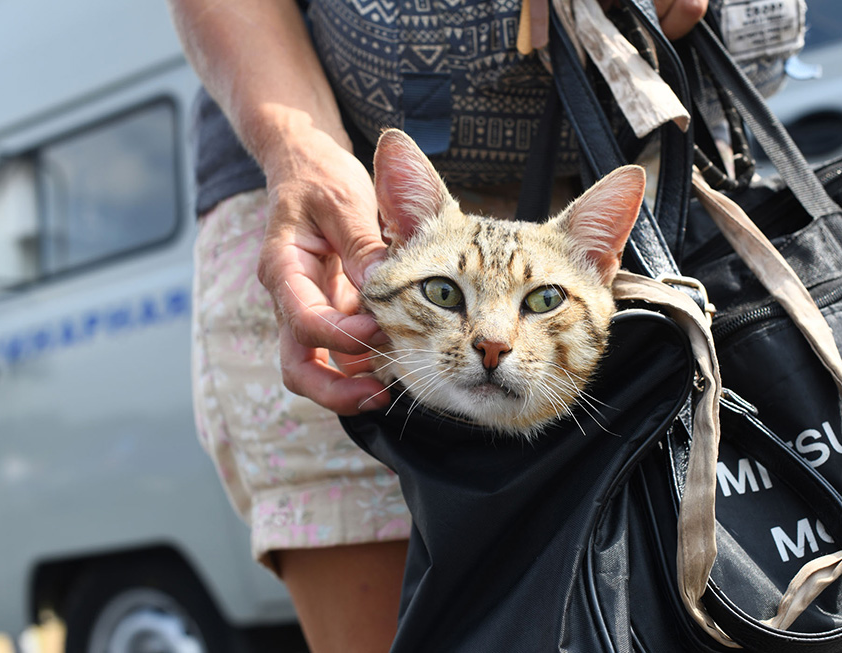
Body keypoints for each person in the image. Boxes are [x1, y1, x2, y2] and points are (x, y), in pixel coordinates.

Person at [166, 1, 711, 651]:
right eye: (448, 295)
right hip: (323, 190)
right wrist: (298, 148)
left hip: (594, 165)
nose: (492, 341)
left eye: (535, 305)